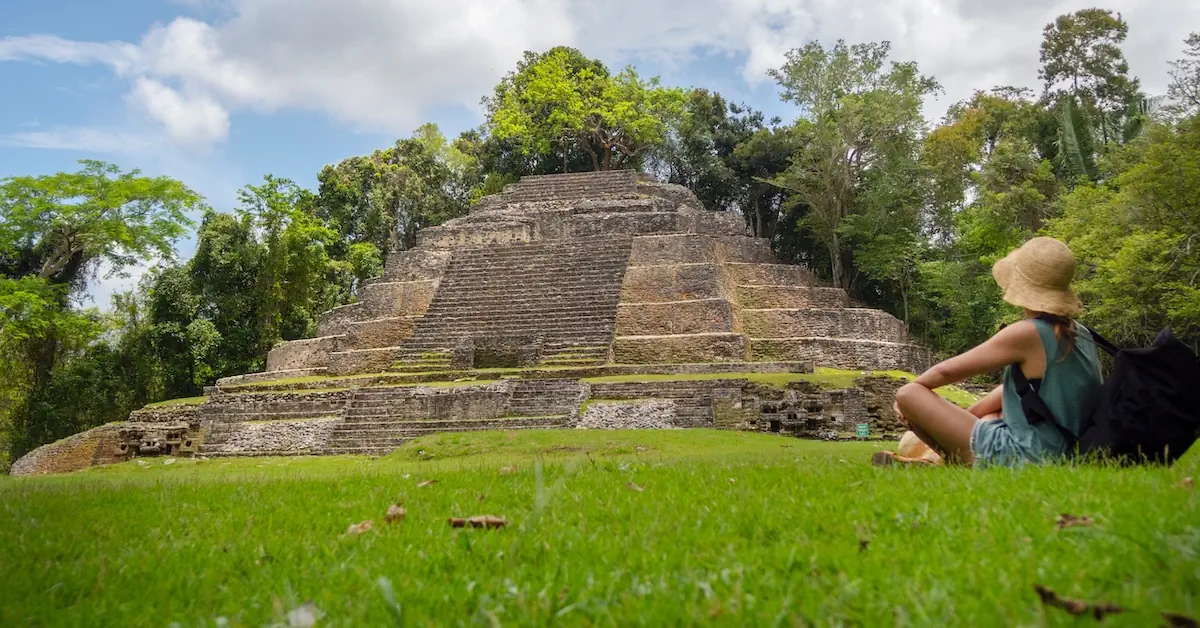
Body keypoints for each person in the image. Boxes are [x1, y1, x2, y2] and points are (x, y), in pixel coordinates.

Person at [873, 237, 1103, 467]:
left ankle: (946, 459)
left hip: (1027, 456)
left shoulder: (1028, 333)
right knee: (991, 416)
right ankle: (933, 460)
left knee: (909, 394)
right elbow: (1008, 392)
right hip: (1066, 450)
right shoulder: (1082, 334)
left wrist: (905, 405)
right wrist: (961, 419)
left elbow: (945, 372)